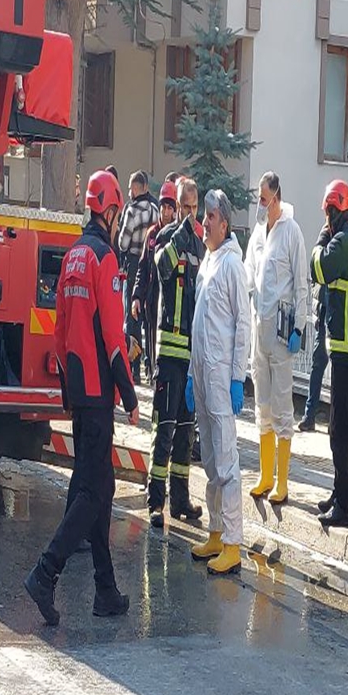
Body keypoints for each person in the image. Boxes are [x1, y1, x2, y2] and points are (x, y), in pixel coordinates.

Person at [24, 170, 140, 625]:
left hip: (78, 388)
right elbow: (114, 337)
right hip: (98, 390)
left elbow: (59, 333)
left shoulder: (72, 256)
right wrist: (129, 394)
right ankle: (45, 573)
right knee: (93, 491)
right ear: (110, 211)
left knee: (97, 488)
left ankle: (105, 590)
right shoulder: (103, 259)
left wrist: (66, 390)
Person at [186, 190, 251, 575]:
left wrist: (237, 378)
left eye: (210, 216)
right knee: (210, 459)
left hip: (223, 378)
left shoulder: (231, 266)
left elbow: (241, 325)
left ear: (224, 223)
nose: (205, 222)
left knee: (226, 461)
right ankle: (215, 531)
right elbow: (201, 325)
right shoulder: (209, 262)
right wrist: (194, 375)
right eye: (205, 216)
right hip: (204, 376)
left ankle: (233, 543)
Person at [244, 171, 308, 506]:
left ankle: (282, 481)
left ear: (277, 197)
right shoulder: (258, 233)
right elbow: (248, 276)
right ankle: (265, 474)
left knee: (283, 407)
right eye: (258, 197)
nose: (260, 204)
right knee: (262, 404)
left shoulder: (291, 233)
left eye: (264, 198)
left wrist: (298, 327)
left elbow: (301, 283)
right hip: (259, 330)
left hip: (282, 335)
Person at [145, 178, 205, 528]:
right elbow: (161, 268)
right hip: (169, 349)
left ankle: (181, 499)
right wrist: (180, 234)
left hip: (192, 355)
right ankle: (156, 502)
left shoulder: (200, 245)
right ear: (176, 203)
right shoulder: (168, 236)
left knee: (186, 430)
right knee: (163, 428)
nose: (189, 212)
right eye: (184, 205)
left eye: (194, 207)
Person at [308, 180, 348, 526]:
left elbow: (320, 270)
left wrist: (319, 241)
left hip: (345, 346)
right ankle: (338, 491)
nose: (326, 218)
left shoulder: (343, 241)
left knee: (338, 430)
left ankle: (343, 505)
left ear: (335, 208)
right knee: (342, 426)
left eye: (328, 212)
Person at [132, 181, 178, 381]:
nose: (166, 212)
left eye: (170, 207)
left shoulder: (178, 236)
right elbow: (143, 267)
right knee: (151, 342)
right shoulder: (152, 235)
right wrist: (136, 296)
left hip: (170, 304)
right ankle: (151, 372)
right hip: (152, 300)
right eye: (163, 206)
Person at [118, 170, 158, 384]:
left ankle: (133, 367)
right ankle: (149, 365)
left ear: (138, 188)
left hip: (134, 263)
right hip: (151, 264)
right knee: (147, 314)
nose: (130, 192)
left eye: (131, 188)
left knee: (131, 314)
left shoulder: (132, 211)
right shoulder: (154, 209)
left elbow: (123, 242)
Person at [297, 282, 327, 433]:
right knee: (318, 363)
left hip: (335, 312)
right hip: (323, 312)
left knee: (338, 371)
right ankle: (309, 415)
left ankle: (334, 418)